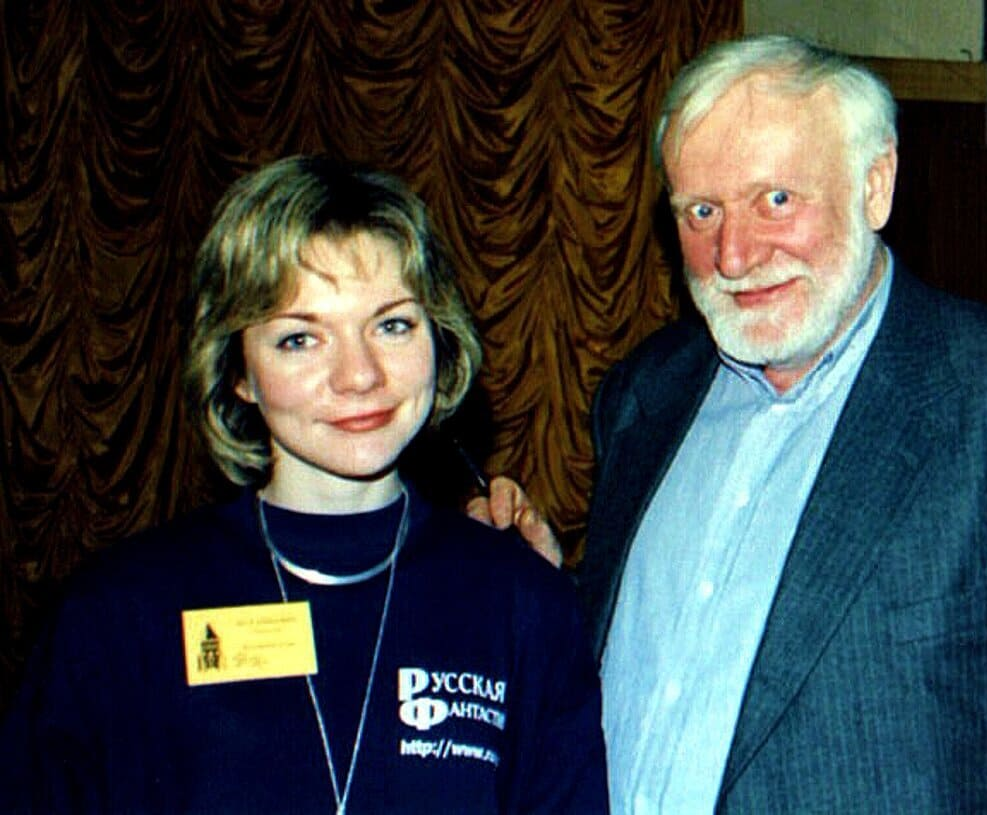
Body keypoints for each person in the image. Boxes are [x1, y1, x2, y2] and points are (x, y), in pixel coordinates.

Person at [470, 35, 987, 812]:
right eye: (702, 211)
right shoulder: (644, 392)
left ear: (875, 185)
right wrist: (548, 594)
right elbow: (671, 663)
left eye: (776, 200)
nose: (733, 255)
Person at [0, 156, 609, 814]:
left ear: (440, 336)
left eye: (392, 325)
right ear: (238, 371)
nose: (359, 375)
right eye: (300, 339)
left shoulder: (523, 602)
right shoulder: (117, 613)